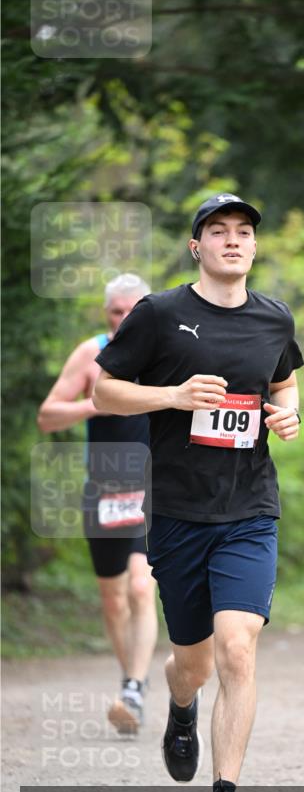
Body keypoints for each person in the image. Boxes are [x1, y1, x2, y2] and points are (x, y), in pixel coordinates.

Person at [93, 193, 304, 792]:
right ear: (197, 246)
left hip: (249, 510)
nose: (233, 241)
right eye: (219, 232)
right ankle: (179, 707)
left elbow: (285, 382)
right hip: (179, 513)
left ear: (253, 246)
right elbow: (104, 390)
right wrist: (172, 396)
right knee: (193, 663)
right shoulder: (159, 315)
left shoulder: (274, 319)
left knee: (238, 646)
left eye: (243, 232)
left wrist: (288, 415)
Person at [37, 274, 158, 735]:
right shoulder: (91, 354)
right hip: (105, 488)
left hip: (153, 485)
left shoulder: (163, 351)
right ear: (105, 314)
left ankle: (133, 688)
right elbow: (47, 415)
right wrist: (96, 404)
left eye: (133, 310)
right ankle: (131, 681)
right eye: (115, 312)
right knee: (113, 598)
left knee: (142, 586)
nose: (125, 320)